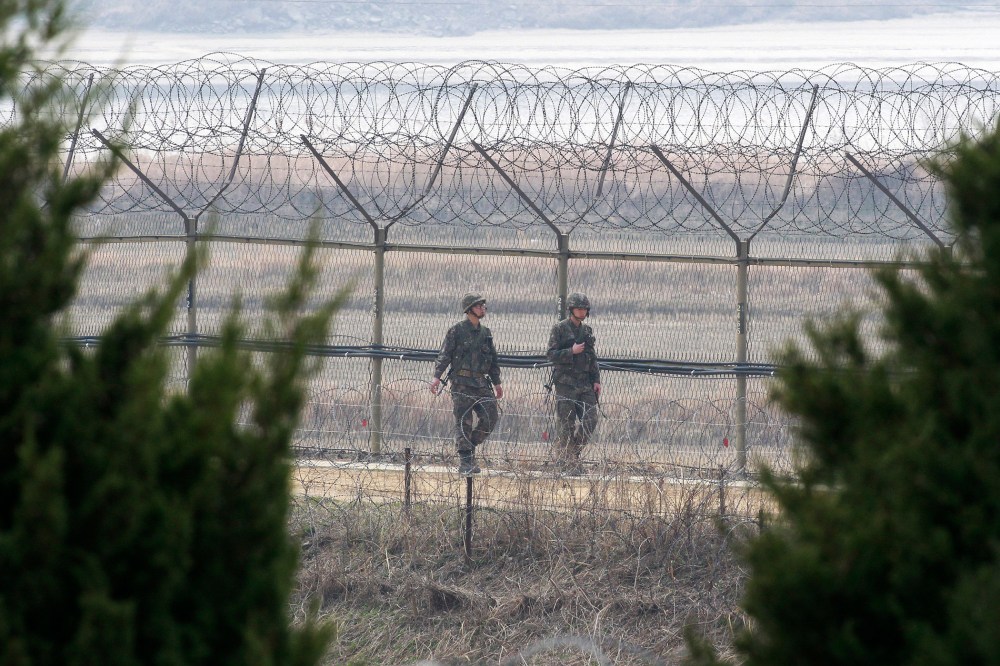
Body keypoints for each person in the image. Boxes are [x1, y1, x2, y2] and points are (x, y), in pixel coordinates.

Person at [430, 293, 504, 475]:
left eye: (483, 306)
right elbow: (445, 354)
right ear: (469, 309)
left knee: (491, 416)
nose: (483, 309)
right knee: (464, 422)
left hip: (481, 383)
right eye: (479, 306)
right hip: (461, 382)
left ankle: (470, 447)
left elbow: (493, 360)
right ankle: (465, 461)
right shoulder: (456, 331)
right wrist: (437, 376)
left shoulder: (486, 334)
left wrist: (497, 383)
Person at [546, 292, 601, 474]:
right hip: (566, 383)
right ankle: (569, 462)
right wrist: (571, 351)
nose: (582, 311)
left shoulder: (587, 331)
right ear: (571, 310)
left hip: (585, 383)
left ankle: (571, 455)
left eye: (585, 309)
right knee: (567, 424)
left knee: (591, 419)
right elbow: (551, 355)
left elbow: (592, 358)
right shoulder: (559, 329)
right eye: (579, 308)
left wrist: (596, 380)